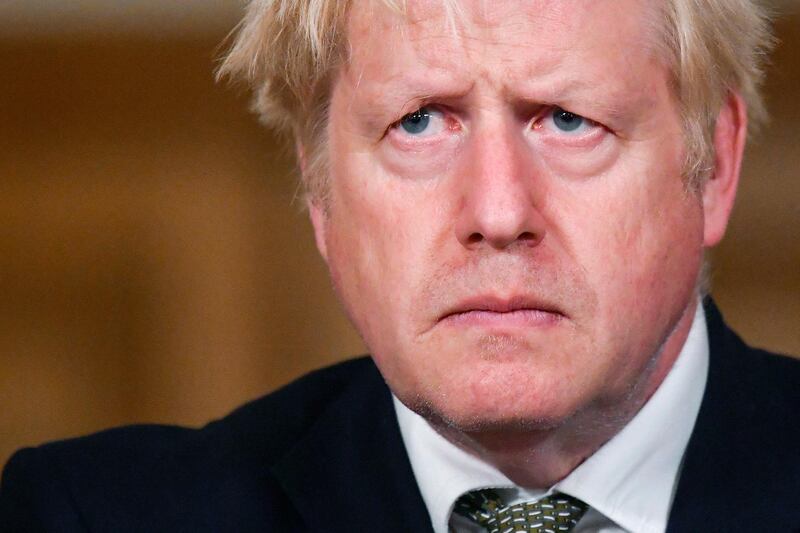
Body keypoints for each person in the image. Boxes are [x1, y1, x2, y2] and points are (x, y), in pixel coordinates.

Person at [1, 0, 798, 531]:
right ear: (318, 185)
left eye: (566, 120)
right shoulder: (94, 516)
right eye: (418, 123)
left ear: (716, 163)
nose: (496, 212)